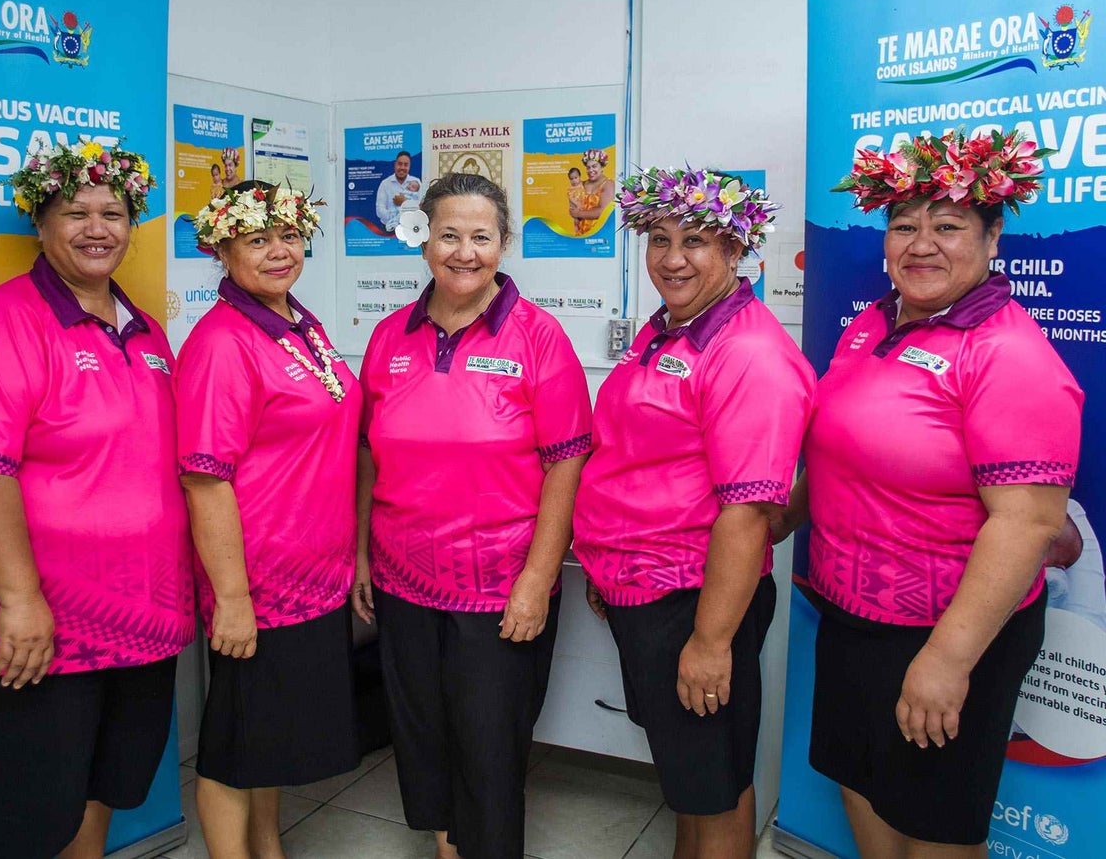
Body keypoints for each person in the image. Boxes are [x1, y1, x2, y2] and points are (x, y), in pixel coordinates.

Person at [777, 129, 1081, 856]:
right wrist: (769, 521)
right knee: (864, 790)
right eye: (904, 225)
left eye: (947, 225)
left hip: (950, 630)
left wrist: (947, 659)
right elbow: (837, 456)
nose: (921, 243)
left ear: (992, 234)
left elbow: (1028, 522)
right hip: (852, 617)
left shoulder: (1009, 355)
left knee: (934, 830)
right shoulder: (873, 324)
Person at [0, 140, 194, 859]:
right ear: (39, 225)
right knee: (26, 815)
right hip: (41, 627)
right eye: (75, 212)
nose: (96, 226)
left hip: (141, 617)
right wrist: (19, 598)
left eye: (113, 211)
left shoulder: (147, 331)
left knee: (105, 784)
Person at [573, 166, 814, 859]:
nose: (672, 258)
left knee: (717, 791)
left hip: (696, 599)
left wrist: (710, 643)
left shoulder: (748, 354)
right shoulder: (672, 330)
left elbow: (746, 514)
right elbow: (636, 460)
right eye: (659, 238)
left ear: (737, 251)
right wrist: (611, 568)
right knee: (690, 780)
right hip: (646, 589)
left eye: (697, 241)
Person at [354, 172, 592, 859]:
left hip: (498, 587)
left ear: (503, 244)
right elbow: (370, 451)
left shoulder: (539, 337)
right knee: (423, 735)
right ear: (422, 240)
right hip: (403, 582)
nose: (464, 251)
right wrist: (364, 554)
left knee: (489, 748)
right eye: (448, 234)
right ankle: (445, 847)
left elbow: (566, 461)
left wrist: (536, 578)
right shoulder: (389, 337)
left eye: (481, 237)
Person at [179, 181, 360, 857]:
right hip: (257, 583)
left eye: (288, 233)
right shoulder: (223, 341)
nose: (279, 250)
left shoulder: (296, 321)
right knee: (234, 744)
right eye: (258, 238)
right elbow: (204, 477)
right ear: (223, 248)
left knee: (269, 740)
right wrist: (231, 598)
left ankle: (268, 847)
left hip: (312, 575)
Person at [567, 148, 614, 234]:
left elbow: (603, 212)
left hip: (600, 234)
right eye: (588, 167)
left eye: (594, 166)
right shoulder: (582, 184)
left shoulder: (608, 184)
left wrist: (578, 213)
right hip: (581, 234)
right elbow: (573, 205)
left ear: (602, 166)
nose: (590, 170)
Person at [375, 150, 423, 231]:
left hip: (410, 229)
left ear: (409, 166)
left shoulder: (416, 182)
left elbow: (422, 207)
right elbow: (380, 210)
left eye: (406, 165)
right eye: (400, 164)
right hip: (389, 229)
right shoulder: (385, 184)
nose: (402, 168)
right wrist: (393, 220)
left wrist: (404, 202)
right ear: (395, 164)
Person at [565, 167, 587, 234]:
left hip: (583, 206)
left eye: (575, 178)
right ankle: (577, 232)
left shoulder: (582, 184)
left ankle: (583, 231)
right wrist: (577, 204)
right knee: (576, 221)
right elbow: (571, 198)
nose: (574, 180)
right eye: (571, 179)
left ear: (579, 177)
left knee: (584, 221)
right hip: (575, 207)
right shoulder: (570, 189)